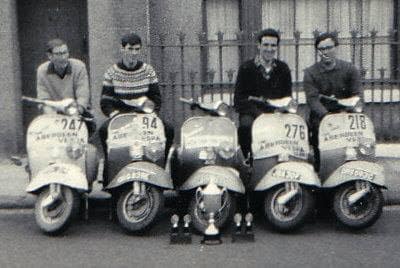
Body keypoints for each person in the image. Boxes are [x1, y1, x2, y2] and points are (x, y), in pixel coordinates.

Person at [99, 33, 172, 184]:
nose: (133, 53)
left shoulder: (148, 70)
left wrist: (151, 112)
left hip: (144, 114)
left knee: (168, 129)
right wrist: (114, 115)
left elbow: (156, 98)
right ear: (122, 49)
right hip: (121, 116)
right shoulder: (112, 72)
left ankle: (160, 170)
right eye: (130, 49)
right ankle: (109, 174)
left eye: (137, 49)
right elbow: (105, 101)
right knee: (103, 130)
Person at [303, 32, 362, 170]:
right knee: (319, 129)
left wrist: (351, 109)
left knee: (360, 131)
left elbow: (358, 94)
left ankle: (355, 164)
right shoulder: (310, 72)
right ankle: (321, 167)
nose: (326, 52)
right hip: (323, 115)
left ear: (336, 48)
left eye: (329, 48)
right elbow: (312, 99)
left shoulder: (350, 69)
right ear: (318, 52)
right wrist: (326, 116)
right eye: (322, 49)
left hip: (346, 112)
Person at [234, 28, 292, 157]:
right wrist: (259, 114)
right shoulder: (246, 68)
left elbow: (288, 97)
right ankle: (248, 161)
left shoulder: (283, 68)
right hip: (253, 113)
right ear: (259, 46)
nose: (269, 49)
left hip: (276, 113)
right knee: (245, 127)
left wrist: (280, 111)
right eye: (266, 45)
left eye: (273, 45)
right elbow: (239, 100)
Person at [36, 38, 93, 120]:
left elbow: (83, 96)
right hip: (54, 114)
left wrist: (75, 112)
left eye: (65, 53)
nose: (63, 57)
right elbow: (44, 100)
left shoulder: (79, 67)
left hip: (77, 112)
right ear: (50, 56)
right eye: (58, 54)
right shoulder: (42, 70)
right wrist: (53, 117)